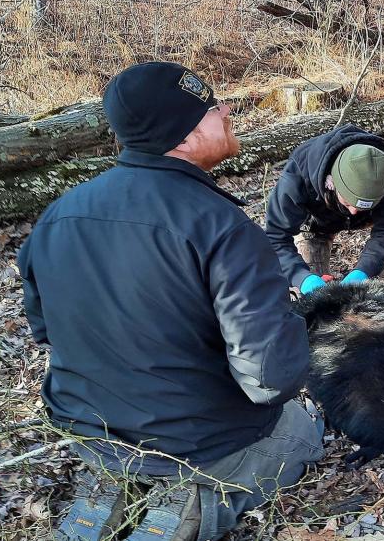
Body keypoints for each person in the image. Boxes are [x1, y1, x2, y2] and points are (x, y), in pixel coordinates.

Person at [17, 62, 323, 540]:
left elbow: (45, 332)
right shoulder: (223, 227)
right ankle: (194, 501)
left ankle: (117, 484)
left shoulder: (58, 215)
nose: (225, 111)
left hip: (88, 428)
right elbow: (268, 380)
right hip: (198, 440)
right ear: (181, 139)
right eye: (210, 109)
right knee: (301, 431)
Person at [264, 125, 384, 295]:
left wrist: (363, 271)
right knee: (317, 298)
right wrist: (303, 278)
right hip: (315, 222)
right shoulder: (296, 177)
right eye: (349, 203)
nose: (353, 211)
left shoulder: (382, 169)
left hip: (369, 215)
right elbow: (276, 238)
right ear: (331, 183)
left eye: (362, 205)